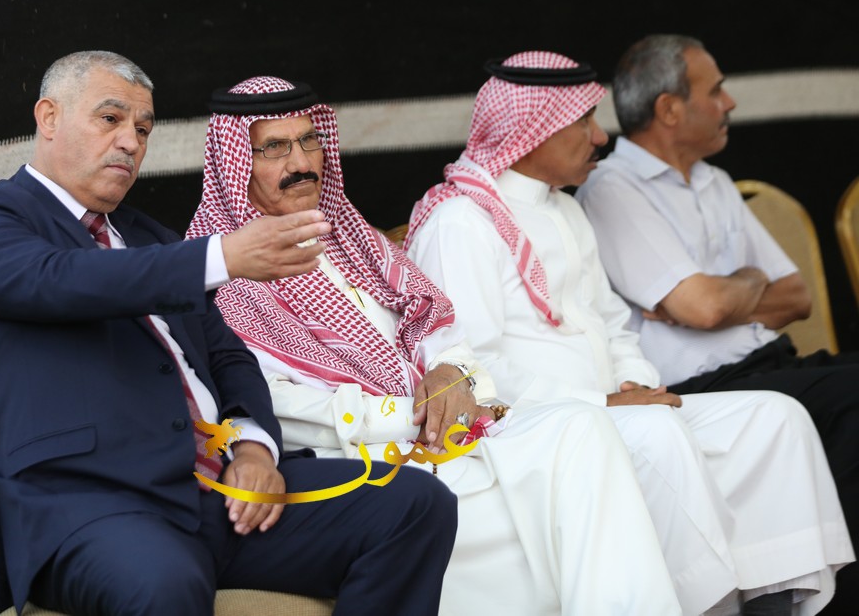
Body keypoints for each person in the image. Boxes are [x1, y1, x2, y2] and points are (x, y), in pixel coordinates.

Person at [0, 51, 460, 616]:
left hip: (219, 495)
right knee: (165, 585)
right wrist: (221, 256)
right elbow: (61, 280)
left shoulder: (145, 236)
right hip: (94, 508)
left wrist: (254, 447)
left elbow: (228, 357)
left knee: (413, 505)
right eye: (110, 119)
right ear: (49, 117)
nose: (130, 142)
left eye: (143, 129)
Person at [185, 75, 682, 615]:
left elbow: (440, 328)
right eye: (275, 148)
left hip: (449, 429)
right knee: (564, 491)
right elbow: (271, 402)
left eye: (309, 140)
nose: (301, 162)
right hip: (364, 455)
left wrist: (451, 376)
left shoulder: (353, 237)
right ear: (237, 163)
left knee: (583, 428)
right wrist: (414, 415)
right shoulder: (221, 270)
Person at [406, 50, 853, 616]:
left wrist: (635, 384)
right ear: (532, 134)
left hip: (614, 408)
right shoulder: (460, 223)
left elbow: (613, 324)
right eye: (583, 122)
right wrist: (605, 403)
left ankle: (776, 603)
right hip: (533, 428)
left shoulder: (566, 212)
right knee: (658, 433)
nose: (600, 137)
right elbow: (472, 368)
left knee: (775, 417)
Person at [576, 34, 859, 613]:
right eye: (716, 90)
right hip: (705, 386)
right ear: (669, 108)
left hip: (772, 361)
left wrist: (729, 289)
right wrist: (736, 288)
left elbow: (797, 296)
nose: (729, 103)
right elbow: (703, 309)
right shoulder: (612, 189)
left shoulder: (716, 181)